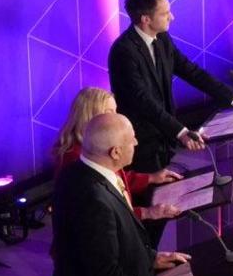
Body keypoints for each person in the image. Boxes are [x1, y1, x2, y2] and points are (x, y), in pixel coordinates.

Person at [49, 112, 199, 276]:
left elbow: (112, 243)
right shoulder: (93, 199)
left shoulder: (78, 172)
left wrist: (152, 257)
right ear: (115, 152)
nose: (136, 142)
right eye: (132, 139)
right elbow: (105, 273)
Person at [108, 0, 233, 173]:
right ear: (145, 19)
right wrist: (181, 132)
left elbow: (192, 72)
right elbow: (143, 101)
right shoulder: (123, 52)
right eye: (165, 13)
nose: (171, 17)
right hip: (142, 143)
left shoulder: (162, 39)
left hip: (164, 138)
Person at [52, 87, 182, 221]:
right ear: (90, 117)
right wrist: (147, 213)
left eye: (116, 111)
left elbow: (115, 180)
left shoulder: (95, 148)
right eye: (110, 113)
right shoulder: (78, 160)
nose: (117, 117)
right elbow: (105, 214)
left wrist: (150, 178)